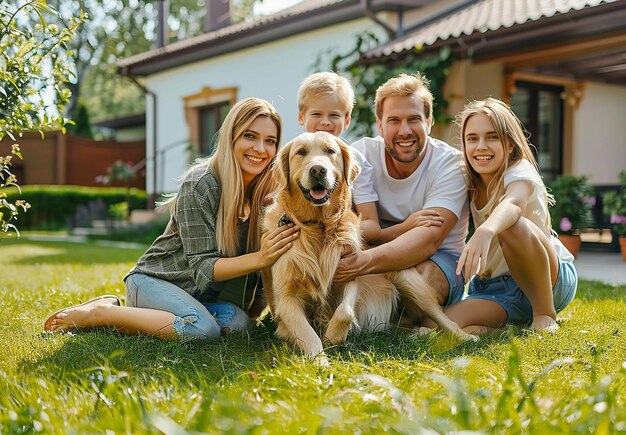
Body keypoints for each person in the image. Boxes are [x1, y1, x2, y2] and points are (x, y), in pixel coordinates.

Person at [44, 97, 300, 340]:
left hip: (200, 298)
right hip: (154, 283)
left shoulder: (268, 195)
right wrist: (260, 258)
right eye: (250, 136)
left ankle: (159, 315)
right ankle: (101, 313)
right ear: (231, 137)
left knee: (239, 325)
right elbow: (204, 267)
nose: (260, 148)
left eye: (270, 141)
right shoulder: (200, 183)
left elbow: (264, 269)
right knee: (202, 331)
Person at [334, 72, 470, 326]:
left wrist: (362, 262)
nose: (404, 130)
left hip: (438, 260)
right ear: (380, 124)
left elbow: (427, 242)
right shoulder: (360, 155)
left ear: (428, 122)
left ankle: (402, 321)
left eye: (414, 119)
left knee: (420, 282)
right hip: (376, 256)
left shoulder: (450, 164)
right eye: (394, 120)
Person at [441, 97, 577, 333]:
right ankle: (506, 328)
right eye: (472, 139)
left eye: (492, 137)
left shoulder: (518, 171)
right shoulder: (468, 180)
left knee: (512, 224)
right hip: (494, 288)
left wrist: (485, 231)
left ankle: (545, 314)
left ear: (510, 145)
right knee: (437, 325)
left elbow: (513, 204)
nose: (481, 146)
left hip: (547, 279)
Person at [297, 71, 353, 138]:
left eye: (334, 115)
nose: (325, 122)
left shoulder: (349, 149)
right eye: (316, 114)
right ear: (301, 118)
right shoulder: (293, 148)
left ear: (346, 122)